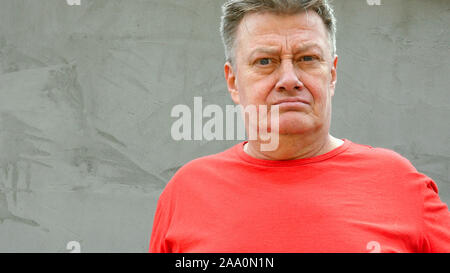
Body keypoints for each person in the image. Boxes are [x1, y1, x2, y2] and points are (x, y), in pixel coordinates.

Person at [149, 0, 450, 253]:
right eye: (265, 61)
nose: (289, 80)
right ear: (233, 81)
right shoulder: (187, 192)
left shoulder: (399, 184)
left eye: (307, 58)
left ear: (331, 74)